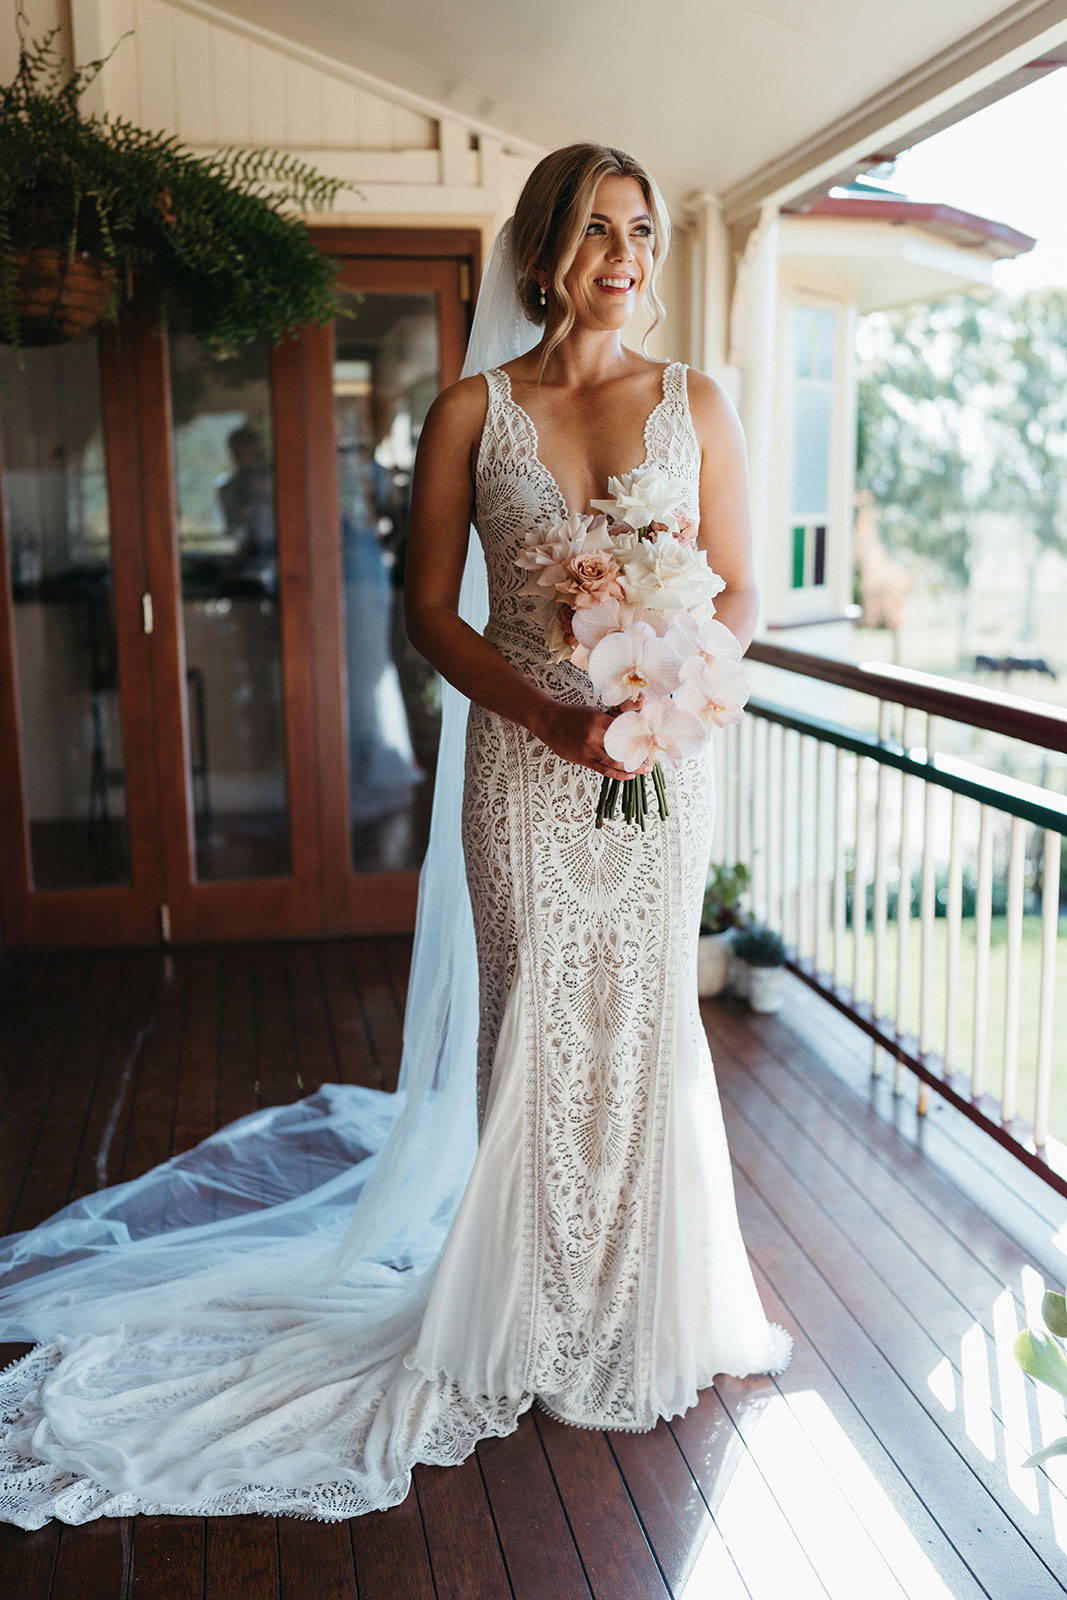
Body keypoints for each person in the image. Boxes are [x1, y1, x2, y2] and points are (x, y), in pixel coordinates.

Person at [0, 142, 791, 1531]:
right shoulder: (470, 411)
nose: (627, 255)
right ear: (545, 250)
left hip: (657, 767)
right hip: (526, 761)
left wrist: (676, 683)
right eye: (600, 229)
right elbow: (429, 611)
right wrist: (550, 718)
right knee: (536, 1023)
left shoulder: (697, 402)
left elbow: (745, 597)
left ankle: (634, 1304)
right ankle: (528, 1312)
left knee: (643, 1026)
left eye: (646, 231)